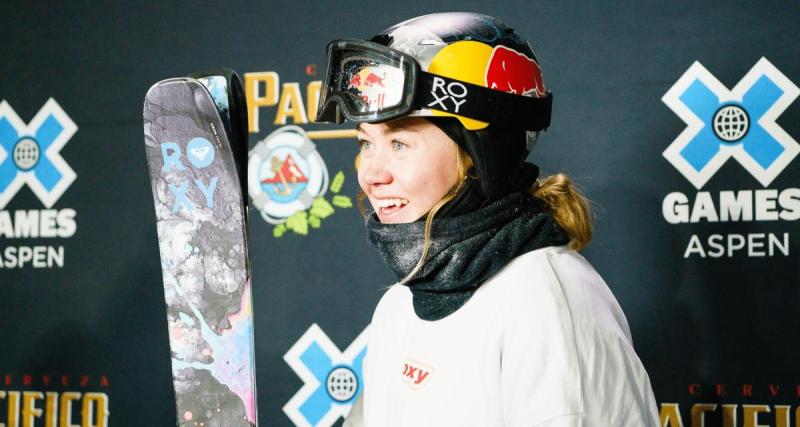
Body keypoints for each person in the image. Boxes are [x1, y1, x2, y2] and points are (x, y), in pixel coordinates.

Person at [315, 12, 660, 427]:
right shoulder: (401, 303)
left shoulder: (545, 304)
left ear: (480, 153)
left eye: (400, 143)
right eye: (365, 143)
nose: (371, 174)